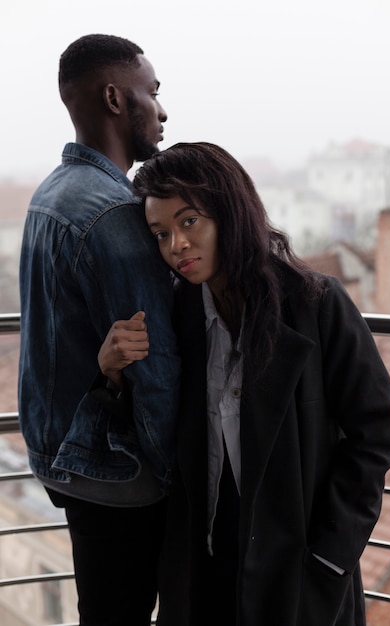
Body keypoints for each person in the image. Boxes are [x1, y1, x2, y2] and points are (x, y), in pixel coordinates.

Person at [98, 141, 390, 626]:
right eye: (160, 233)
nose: (175, 245)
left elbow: (377, 433)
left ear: (229, 212)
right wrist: (112, 372)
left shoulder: (316, 304)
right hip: (203, 569)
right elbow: (150, 427)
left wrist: (328, 557)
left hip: (298, 571)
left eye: (189, 221)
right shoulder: (174, 313)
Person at [18, 34, 181, 626]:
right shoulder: (113, 214)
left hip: (64, 456)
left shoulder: (50, 194)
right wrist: (182, 483)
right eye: (152, 93)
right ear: (116, 98)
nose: (162, 111)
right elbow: (153, 368)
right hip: (119, 475)